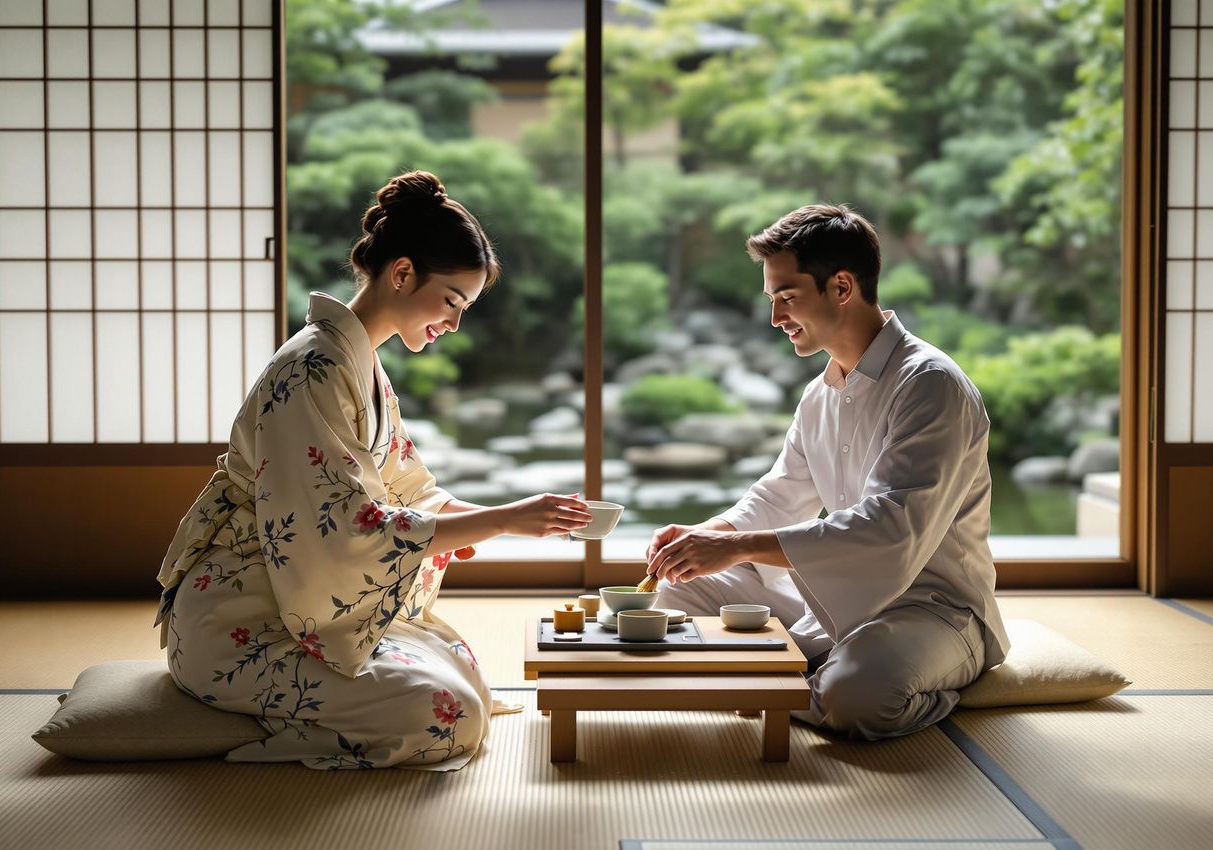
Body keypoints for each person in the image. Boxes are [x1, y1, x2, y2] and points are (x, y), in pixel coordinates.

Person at [155, 170, 592, 770]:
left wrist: (517, 520)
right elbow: (347, 527)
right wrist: (505, 520)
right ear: (403, 273)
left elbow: (411, 491)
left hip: (290, 609)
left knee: (460, 666)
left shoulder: (357, 365)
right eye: (451, 301)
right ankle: (254, 737)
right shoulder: (313, 368)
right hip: (244, 620)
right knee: (450, 715)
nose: (454, 323)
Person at [645, 203, 1009, 740]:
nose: (775, 319)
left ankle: (806, 678)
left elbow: (890, 527)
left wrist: (740, 547)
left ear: (842, 287)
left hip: (931, 609)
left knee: (857, 695)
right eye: (772, 300)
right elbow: (781, 493)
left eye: (787, 298)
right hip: (836, 596)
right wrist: (709, 536)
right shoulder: (820, 393)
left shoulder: (930, 384)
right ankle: (795, 675)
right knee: (680, 590)